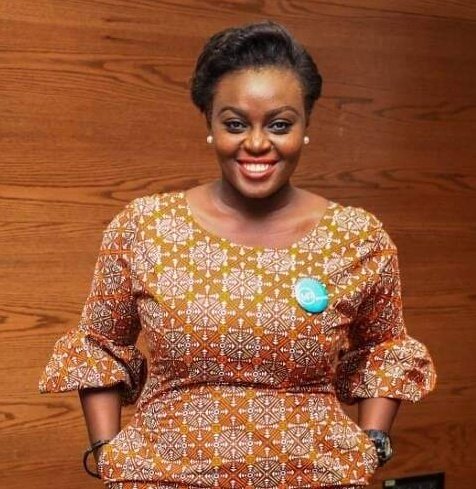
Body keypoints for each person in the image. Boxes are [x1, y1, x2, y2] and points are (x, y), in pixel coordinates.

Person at [39, 20, 436, 489]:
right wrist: (107, 453)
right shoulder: (144, 227)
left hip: (315, 477)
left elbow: (383, 349)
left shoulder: (357, 237)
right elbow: (100, 346)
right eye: (235, 124)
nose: (257, 143)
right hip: (165, 478)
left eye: (280, 124)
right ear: (209, 124)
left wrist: (373, 440)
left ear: (306, 126)